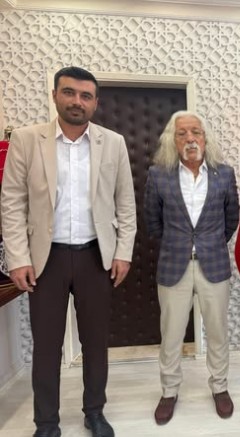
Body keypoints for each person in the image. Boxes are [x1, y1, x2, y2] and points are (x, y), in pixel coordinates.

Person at [0, 66, 137, 437]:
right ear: (55, 95)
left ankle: (95, 412)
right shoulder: (27, 140)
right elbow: (11, 202)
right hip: (46, 260)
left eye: (85, 96)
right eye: (70, 93)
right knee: (46, 346)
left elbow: (125, 203)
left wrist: (123, 252)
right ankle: (46, 423)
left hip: (96, 257)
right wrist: (18, 258)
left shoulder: (114, 143)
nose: (77, 101)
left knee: (95, 342)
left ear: (95, 103)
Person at [144, 111, 240, 423]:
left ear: (205, 137)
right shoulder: (159, 175)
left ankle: (220, 387)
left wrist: (210, 244)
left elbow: (231, 219)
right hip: (174, 266)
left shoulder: (224, 174)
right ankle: (169, 391)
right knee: (171, 334)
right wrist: (179, 244)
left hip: (214, 265)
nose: (190, 139)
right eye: (182, 133)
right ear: (172, 140)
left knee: (217, 331)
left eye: (195, 132)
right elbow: (152, 222)